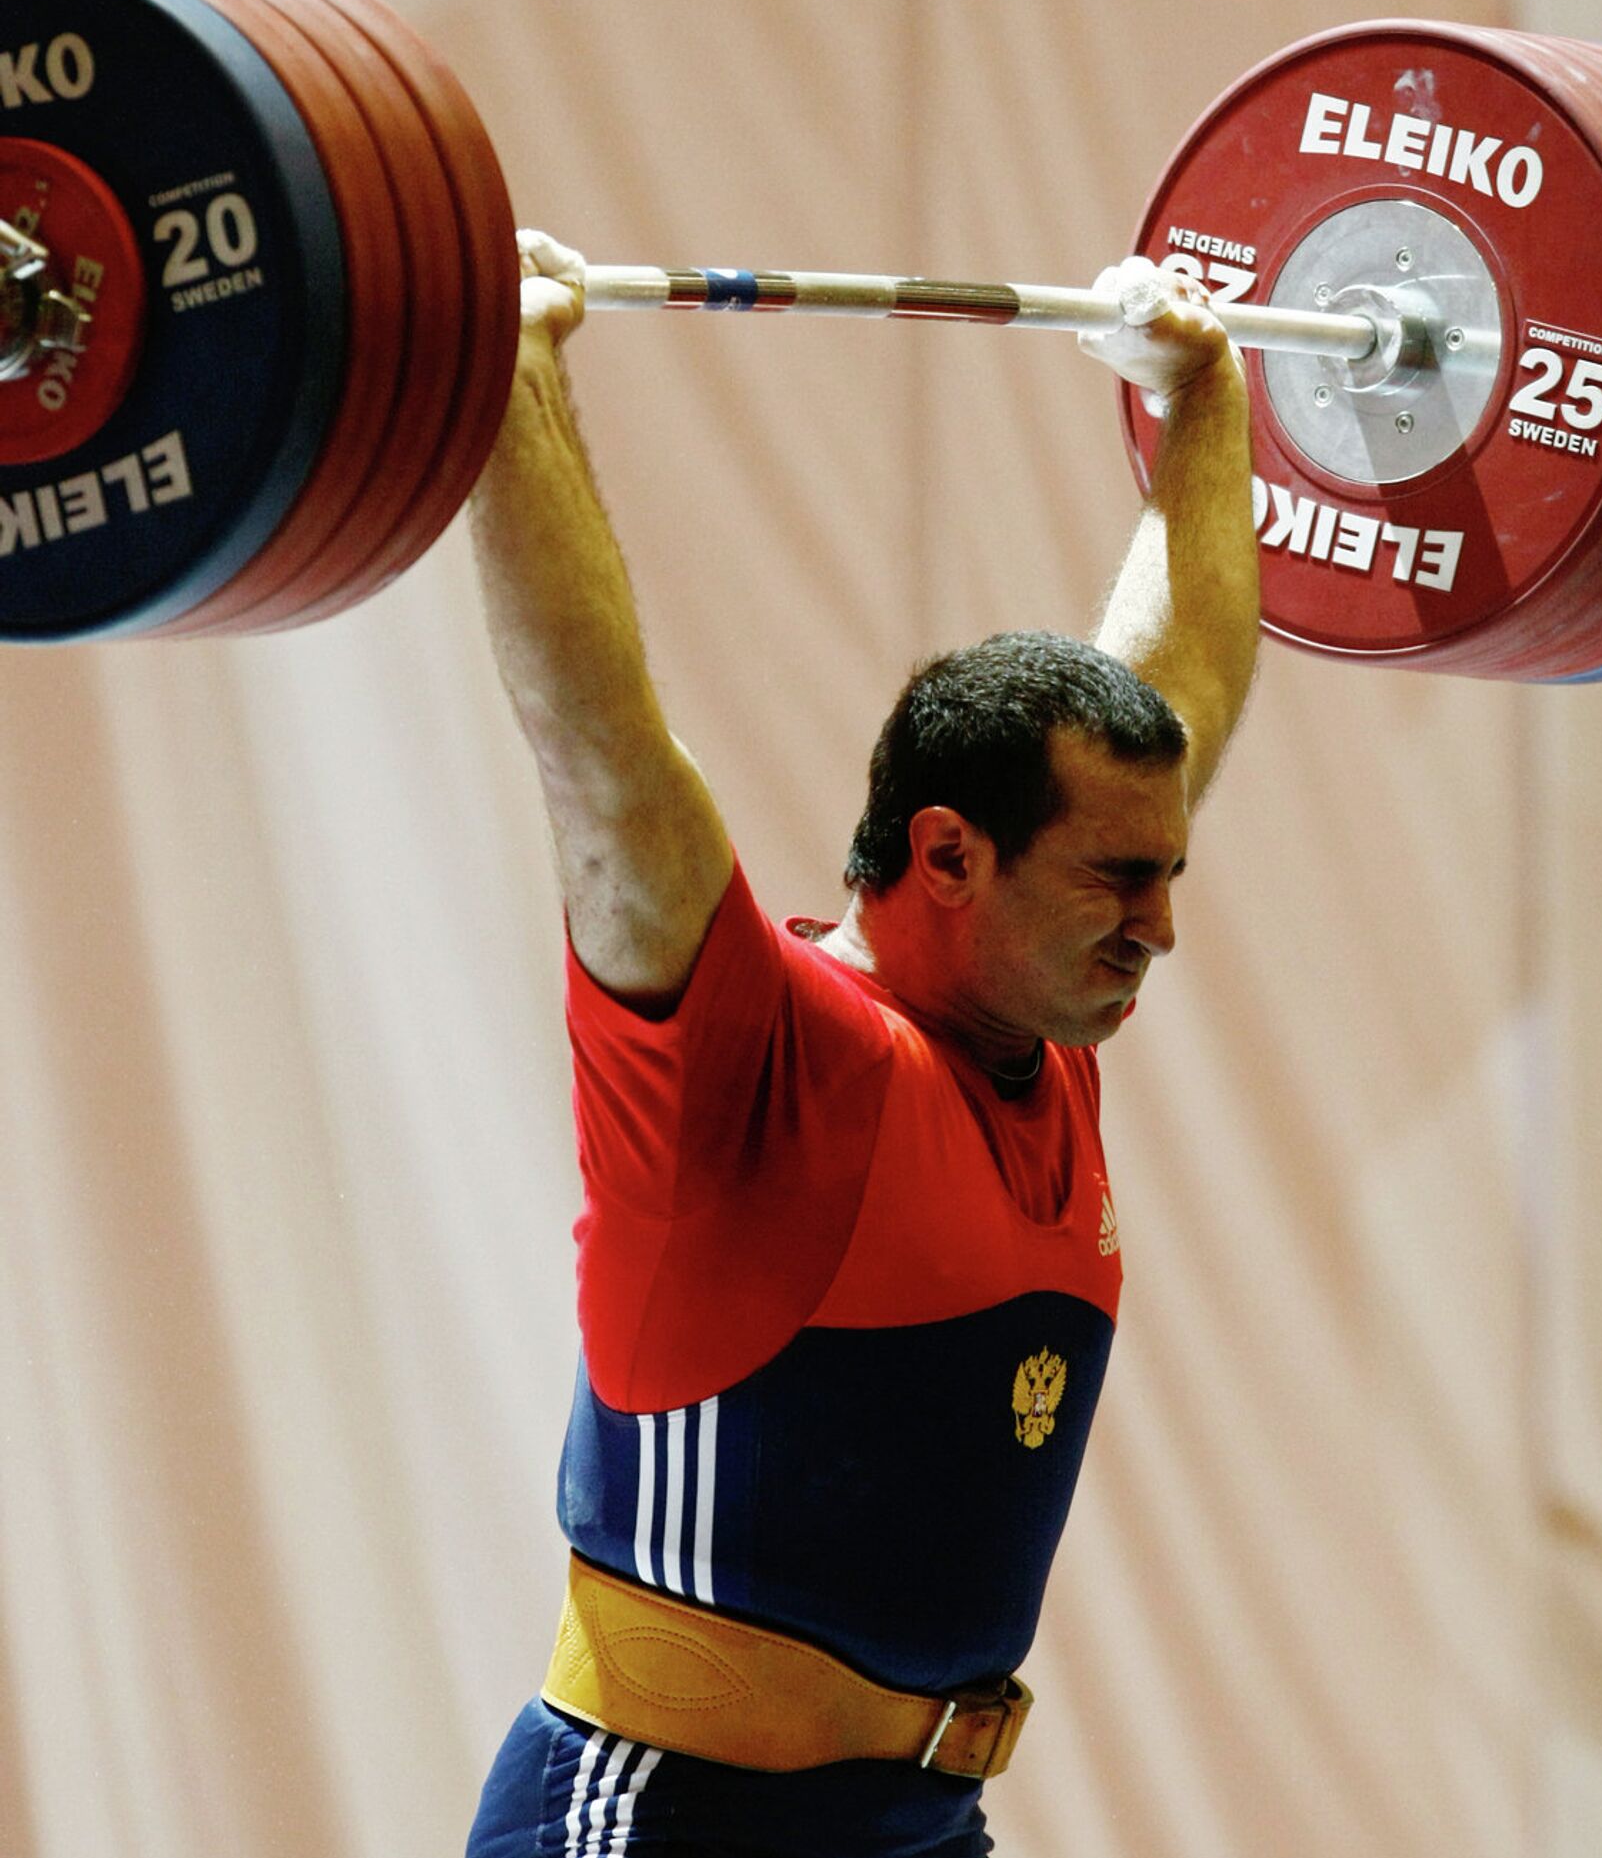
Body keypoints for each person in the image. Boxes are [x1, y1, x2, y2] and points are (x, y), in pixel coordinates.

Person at [464, 230, 1259, 1858]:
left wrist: (1206, 397)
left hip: (919, 1823)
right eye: (1120, 879)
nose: (1159, 927)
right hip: (668, 1817)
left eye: (1169, 873)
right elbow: (601, 748)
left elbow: (1184, 672)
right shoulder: (758, 1055)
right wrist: (506, 376)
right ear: (949, 853)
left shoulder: (1041, 1038)